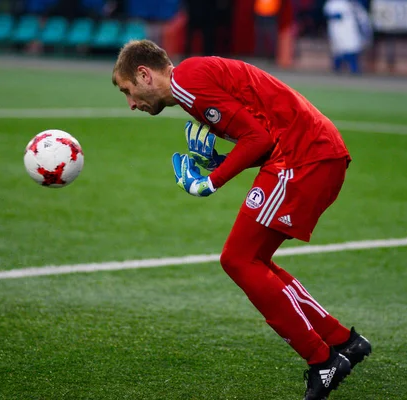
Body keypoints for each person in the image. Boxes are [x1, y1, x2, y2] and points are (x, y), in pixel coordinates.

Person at [111, 39, 372, 400]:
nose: (131, 104)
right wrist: (221, 161)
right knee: (252, 259)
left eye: (128, 91)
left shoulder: (186, 82)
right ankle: (344, 341)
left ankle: (322, 359)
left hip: (303, 154)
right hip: (311, 151)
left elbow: (259, 138)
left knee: (238, 259)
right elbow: (259, 138)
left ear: (144, 74)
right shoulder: (192, 79)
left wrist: (208, 182)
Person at [323, 0, 373, 74]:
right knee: (338, 50)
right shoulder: (333, 2)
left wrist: (364, 31)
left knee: (352, 48)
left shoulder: (354, 4)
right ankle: (337, 68)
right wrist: (334, 16)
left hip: (351, 29)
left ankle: (354, 69)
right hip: (337, 30)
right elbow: (327, 12)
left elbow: (362, 18)